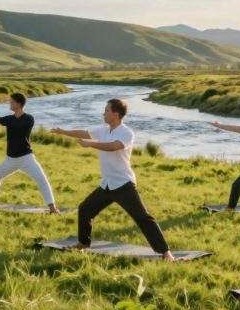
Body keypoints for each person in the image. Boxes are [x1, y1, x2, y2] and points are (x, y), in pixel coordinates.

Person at [51, 98, 175, 261]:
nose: (103, 113)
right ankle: (83, 243)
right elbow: (84, 132)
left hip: (123, 185)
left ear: (116, 114)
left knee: (142, 217)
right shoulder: (103, 130)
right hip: (107, 185)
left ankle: (165, 252)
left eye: (107, 111)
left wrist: (91, 144)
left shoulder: (126, 133)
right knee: (85, 209)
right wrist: (63, 132)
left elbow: (113, 146)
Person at [0, 92, 60, 213]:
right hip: (10, 159)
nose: (9, 104)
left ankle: (52, 208)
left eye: (11, 102)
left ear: (19, 104)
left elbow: (17, 124)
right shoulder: (9, 119)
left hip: (26, 158)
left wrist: (7, 122)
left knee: (41, 180)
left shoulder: (28, 119)